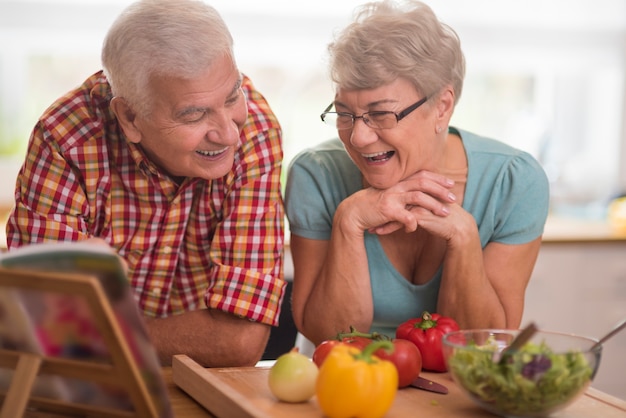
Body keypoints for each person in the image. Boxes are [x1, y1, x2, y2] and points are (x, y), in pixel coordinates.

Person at [6, 0, 286, 367]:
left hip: (190, 381)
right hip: (74, 383)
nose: (229, 134)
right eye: (195, 114)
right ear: (130, 116)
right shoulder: (66, 138)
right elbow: (36, 322)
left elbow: (238, 341)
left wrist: (97, 328)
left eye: (232, 96)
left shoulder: (255, 132)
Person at [285, 0, 549, 345]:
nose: (359, 137)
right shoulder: (315, 174)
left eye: (381, 114)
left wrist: (464, 237)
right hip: (343, 385)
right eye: (344, 113)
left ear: (442, 107)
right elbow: (328, 338)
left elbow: (482, 343)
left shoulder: (514, 182)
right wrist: (348, 220)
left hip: (453, 393)